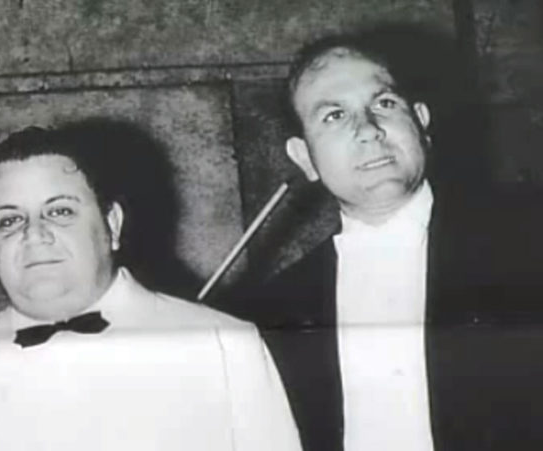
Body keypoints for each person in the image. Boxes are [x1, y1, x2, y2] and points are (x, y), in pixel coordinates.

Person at [224, 33, 543, 451]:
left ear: (422, 123)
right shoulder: (273, 312)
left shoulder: (526, 247)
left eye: (385, 104)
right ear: (304, 158)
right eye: (334, 115)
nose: (368, 130)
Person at [0, 125, 302, 451]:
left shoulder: (224, 346)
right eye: (9, 220)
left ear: (112, 225)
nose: (34, 234)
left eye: (60, 211)